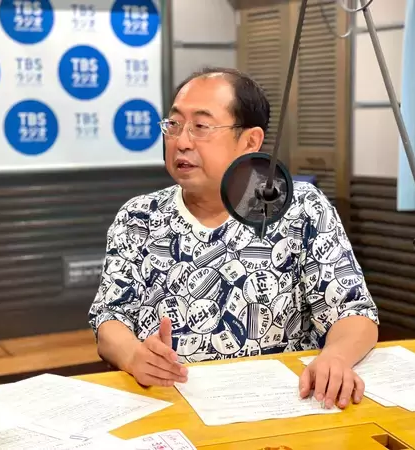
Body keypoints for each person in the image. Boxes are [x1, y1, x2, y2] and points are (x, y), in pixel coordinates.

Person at [89, 67, 379, 410]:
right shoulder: (139, 216)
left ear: (250, 141)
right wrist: (133, 355)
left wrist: (336, 357)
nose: (182, 141)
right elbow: (110, 318)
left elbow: (354, 311)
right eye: (174, 124)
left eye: (201, 126)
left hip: (280, 409)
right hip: (167, 405)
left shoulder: (301, 208)